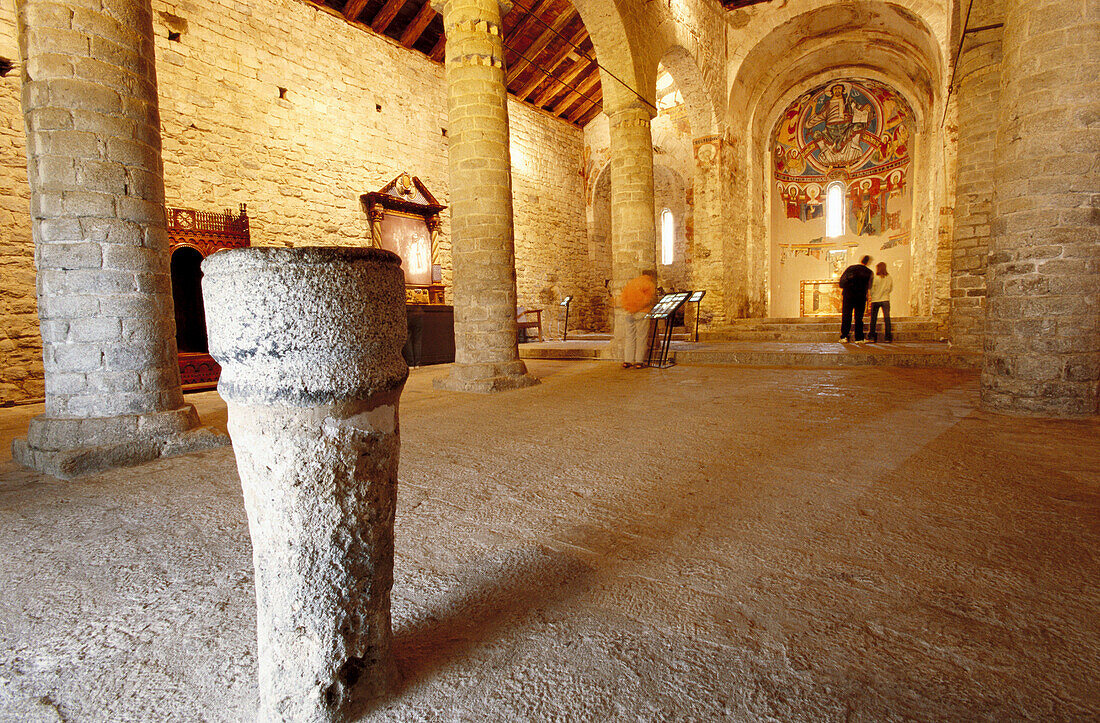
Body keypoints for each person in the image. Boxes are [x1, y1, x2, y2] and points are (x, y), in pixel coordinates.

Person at [620, 270, 657, 368]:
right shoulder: (649, 284)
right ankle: (639, 362)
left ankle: (627, 360)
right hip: (641, 312)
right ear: (651, 275)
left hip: (629, 312)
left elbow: (623, 297)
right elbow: (648, 299)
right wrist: (638, 308)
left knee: (629, 337)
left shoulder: (631, 283)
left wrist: (629, 308)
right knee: (641, 337)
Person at [837, 255, 873, 343]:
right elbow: (869, 286)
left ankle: (844, 336)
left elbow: (841, 283)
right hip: (860, 297)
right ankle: (859, 338)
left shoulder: (850, 268)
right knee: (859, 318)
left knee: (846, 316)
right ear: (868, 262)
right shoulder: (869, 272)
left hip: (848, 296)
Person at [868, 261, 893, 343]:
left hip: (875, 300)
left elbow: (872, 288)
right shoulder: (889, 277)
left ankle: (872, 337)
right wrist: (885, 294)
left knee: (873, 319)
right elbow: (890, 288)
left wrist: (873, 295)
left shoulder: (875, 277)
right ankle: (888, 337)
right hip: (885, 299)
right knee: (887, 318)